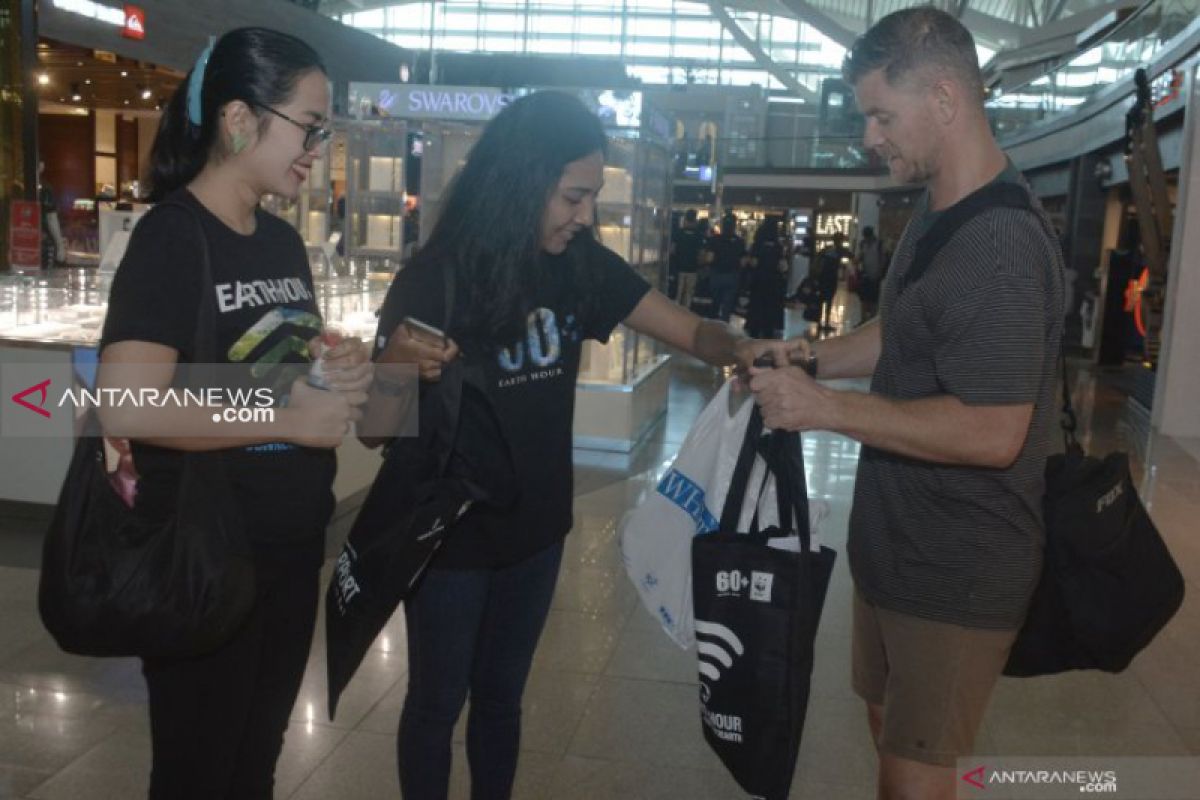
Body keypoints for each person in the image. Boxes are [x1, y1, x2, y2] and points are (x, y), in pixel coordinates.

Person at [359, 91, 776, 800]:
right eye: (572, 197)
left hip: (538, 529)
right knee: (436, 704)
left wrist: (741, 347)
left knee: (501, 699)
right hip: (447, 538)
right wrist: (395, 366)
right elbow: (375, 426)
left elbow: (688, 331)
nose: (585, 215)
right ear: (521, 183)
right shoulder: (434, 277)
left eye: (590, 198)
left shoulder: (579, 264)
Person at [748, 9, 1064, 799]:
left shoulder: (1001, 246)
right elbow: (906, 329)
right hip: (899, 550)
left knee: (914, 779)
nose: (869, 138)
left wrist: (823, 407)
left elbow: (995, 431)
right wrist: (810, 358)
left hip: (956, 570)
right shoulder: (940, 213)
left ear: (947, 100)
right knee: (892, 737)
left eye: (882, 115)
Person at [97, 28, 371, 799]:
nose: (317, 145)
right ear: (240, 120)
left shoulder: (280, 243)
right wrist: (285, 423)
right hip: (203, 558)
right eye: (309, 124)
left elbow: (270, 371)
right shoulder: (171, 238)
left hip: (287, 550)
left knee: (255, 761)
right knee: (197, 770)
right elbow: (124, 400)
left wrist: (330, 367)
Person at [743, 215, 788, 338]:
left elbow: (753, 262)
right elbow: (782, 266)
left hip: (758, 280)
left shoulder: (757, 244)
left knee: (757, 306)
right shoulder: (778, 246)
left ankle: (754, 330)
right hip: (773, 282)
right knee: (770, 307)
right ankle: (768, 330)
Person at [701, 211, 747, 322]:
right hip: (732, 275)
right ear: (735, 225)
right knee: (727, 306)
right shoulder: (740, 241)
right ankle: (724, 328)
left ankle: (712, 327)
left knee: (715, 302)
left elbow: (709, 258)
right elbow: (743, 262)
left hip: (716, 274)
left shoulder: (714, 240)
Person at [814, 231, 849, 331]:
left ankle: (819, 322)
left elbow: (818, 257)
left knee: (821, 300)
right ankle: (826, 322)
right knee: (829, 300)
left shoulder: (827, 249)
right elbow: (851, 255)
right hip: (831, 278)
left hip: (822, 277)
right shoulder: (840, 250)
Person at [670, 208, 704, 309]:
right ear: (695, 220)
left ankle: (675, 314)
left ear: (685, 219)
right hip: (692, 269)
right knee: (689, 295)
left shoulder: (678, 233)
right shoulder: (699, 235)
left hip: (679, 268)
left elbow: (672, 250)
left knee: (678, 294)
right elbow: (701, 253)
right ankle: (686, 315)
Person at [37, 161, 66, 266]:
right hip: (42, 240)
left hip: (21, 238)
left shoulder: (15, 187)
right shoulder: (45, 188)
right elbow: (51, 218)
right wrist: (60, 246)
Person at [856, 225, 886, 320]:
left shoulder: (879, 244)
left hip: (875, 275)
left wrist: (880, 272)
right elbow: (860, 258)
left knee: (873, 299)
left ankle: (871, 319)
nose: (866, 239)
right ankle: (863, 319)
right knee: (864, 299)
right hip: (865, 275)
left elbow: (883, 259)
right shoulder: (862, 244)